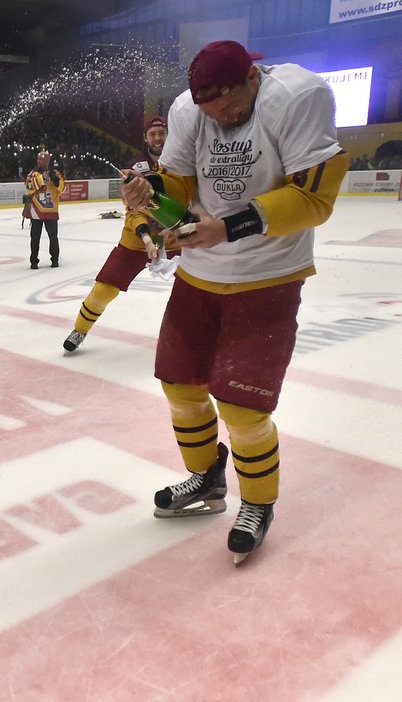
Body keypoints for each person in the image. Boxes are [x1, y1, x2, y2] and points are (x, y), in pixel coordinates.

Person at [120, 40, 349, 563]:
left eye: (229, 108)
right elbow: (178, 179)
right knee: (180, 386)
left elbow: (316, 198)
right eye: (210, 112)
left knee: (244, 409)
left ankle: (258, 503)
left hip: (269, 274)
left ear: (252, 77)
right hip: (199, 274)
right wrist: (149, 189)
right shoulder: (187, 109)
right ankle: (206, 478)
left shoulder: (297, 96)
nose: (221, 119)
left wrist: (230, 226)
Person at [63, 116, 178, 352]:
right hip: (137, 240)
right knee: (105, 287)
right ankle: (80, 329)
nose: (157, 138)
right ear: (145, 138)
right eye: (152, 134)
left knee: (196, 287)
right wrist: (146, 238)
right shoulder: (135, 166)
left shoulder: (180, 162)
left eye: (161, 133)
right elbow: (133, 210)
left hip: (175, 237)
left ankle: (198, 337)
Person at [22, 151, 65, 269]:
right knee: (35, 238)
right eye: (38, 159)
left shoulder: (56, 173)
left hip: (51, 212)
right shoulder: (33, 174)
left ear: (48, 161)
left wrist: (56, 181)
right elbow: (29, 188)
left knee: (53, 237)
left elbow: (64, 189)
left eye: (42, 159)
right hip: (36, 212)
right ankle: (34, 261)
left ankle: (55, 260)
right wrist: (42, 178)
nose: (39, 161)